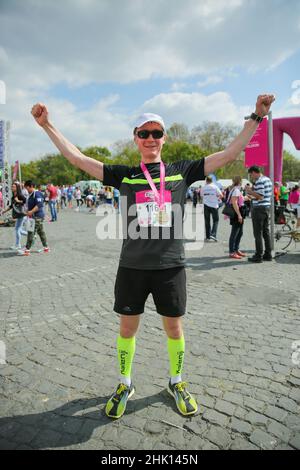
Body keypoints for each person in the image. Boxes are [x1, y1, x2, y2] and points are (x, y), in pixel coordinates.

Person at [31, 94, 275, 419]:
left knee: (174, 329)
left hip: (170, 268)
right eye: (143, 133)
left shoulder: (182, 171)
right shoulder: (125, 175)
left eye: (156, 133)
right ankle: (124, 383)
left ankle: (176, 381)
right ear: (135, 138)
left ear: (164, 138)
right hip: (132, 267)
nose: (150, 139)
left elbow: (231, 152)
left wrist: (257, 116)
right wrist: (48, 125)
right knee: (127, 330)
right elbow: (77, 159)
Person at [245, 166, 273, 262]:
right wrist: (252, 196)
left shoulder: (260, 181)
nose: (251, 177)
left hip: (259, 209)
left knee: (257, 233)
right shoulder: (268, 179)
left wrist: (250, 191)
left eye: (251, 175)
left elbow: (260, 196)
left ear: (254, 172)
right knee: (265, 232)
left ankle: (258, 255)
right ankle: (268, 254)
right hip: (266, 207)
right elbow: (264, 196)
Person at [18, 180, 50, 256]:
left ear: (31, 186)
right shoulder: (31, 194)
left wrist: (31, 211)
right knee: (41, 232)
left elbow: (39, 204)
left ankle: (27, 250)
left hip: (37, 216)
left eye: (27, 188)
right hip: (34, 216)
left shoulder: (37, 193)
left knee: (30, 232)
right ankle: (46, 248)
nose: (26, 190)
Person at [1, 181, 26, 250]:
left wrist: (18, 201)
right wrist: (4, 211)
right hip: (18, 214)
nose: (12, 188)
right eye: (12, 186)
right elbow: (11, 206)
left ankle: (18, 245)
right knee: (18, 229)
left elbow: (25, 201)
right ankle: (31, 235)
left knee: (17, 229)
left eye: (13, 187)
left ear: (17, 188)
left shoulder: (20, 195)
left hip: (22, 214)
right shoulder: (13, 196)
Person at [227, 176, 247, 259]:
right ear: (240, 181)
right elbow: (234, 202)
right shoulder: (236, 190)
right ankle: (232, 252)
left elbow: (239, 200)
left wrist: (246, 198)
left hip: (238, 212)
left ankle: (236, 249)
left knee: (240, 232)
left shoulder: (236, 189)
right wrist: (239, 215)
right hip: (236, 213)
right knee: (235, 233)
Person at [200, 175, 223, 242]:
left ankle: (207, 236)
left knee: (207, 221)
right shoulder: (215, 187)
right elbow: (221, 195)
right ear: (212, 180)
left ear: (206, 181)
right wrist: (217, 199)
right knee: (216, 220)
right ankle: (213, 234)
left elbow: (201, 197)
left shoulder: (203, 188)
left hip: (206, 205)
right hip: (214, 205)